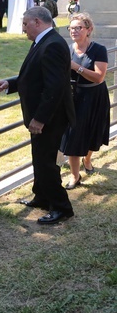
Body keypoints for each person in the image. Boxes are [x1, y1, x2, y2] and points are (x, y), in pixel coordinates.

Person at [0, 6, 75, 224]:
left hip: (50, 118)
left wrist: (40, 119)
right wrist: (10, 83)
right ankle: (41, 196)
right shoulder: (43, 42)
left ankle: (61, 207)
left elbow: (55, 88)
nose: (23, 29)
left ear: (37, 22)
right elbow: (33, 76)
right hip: (41, 116)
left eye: (25, 24)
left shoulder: (53, 45)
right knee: (39, 159)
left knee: (45, 162)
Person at [60, 12, 110, 189]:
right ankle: (75, 176)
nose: (74, 31)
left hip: (95, 96)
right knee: (73, 136)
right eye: (71, 28)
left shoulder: (98, 50)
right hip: (74, 98)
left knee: (93, 133)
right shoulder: (66, 49)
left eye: (78, 27)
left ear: (88, 30)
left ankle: (87, 159)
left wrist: (77, 67)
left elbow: (99, 77)